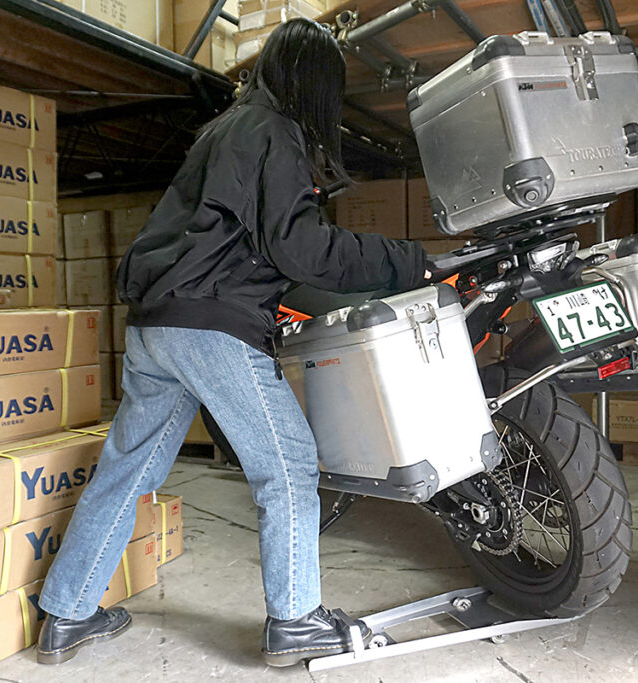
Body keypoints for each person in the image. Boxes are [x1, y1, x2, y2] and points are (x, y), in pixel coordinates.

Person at [35, 18, 428, 668]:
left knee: (127, 469)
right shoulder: (275, 132)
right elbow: (301, 248)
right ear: (314, 83)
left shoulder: (222, 130)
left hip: (154, 325)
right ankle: (295, 620)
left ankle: (66, 612)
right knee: (289, 465)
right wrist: (404, 262)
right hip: (209, 327)